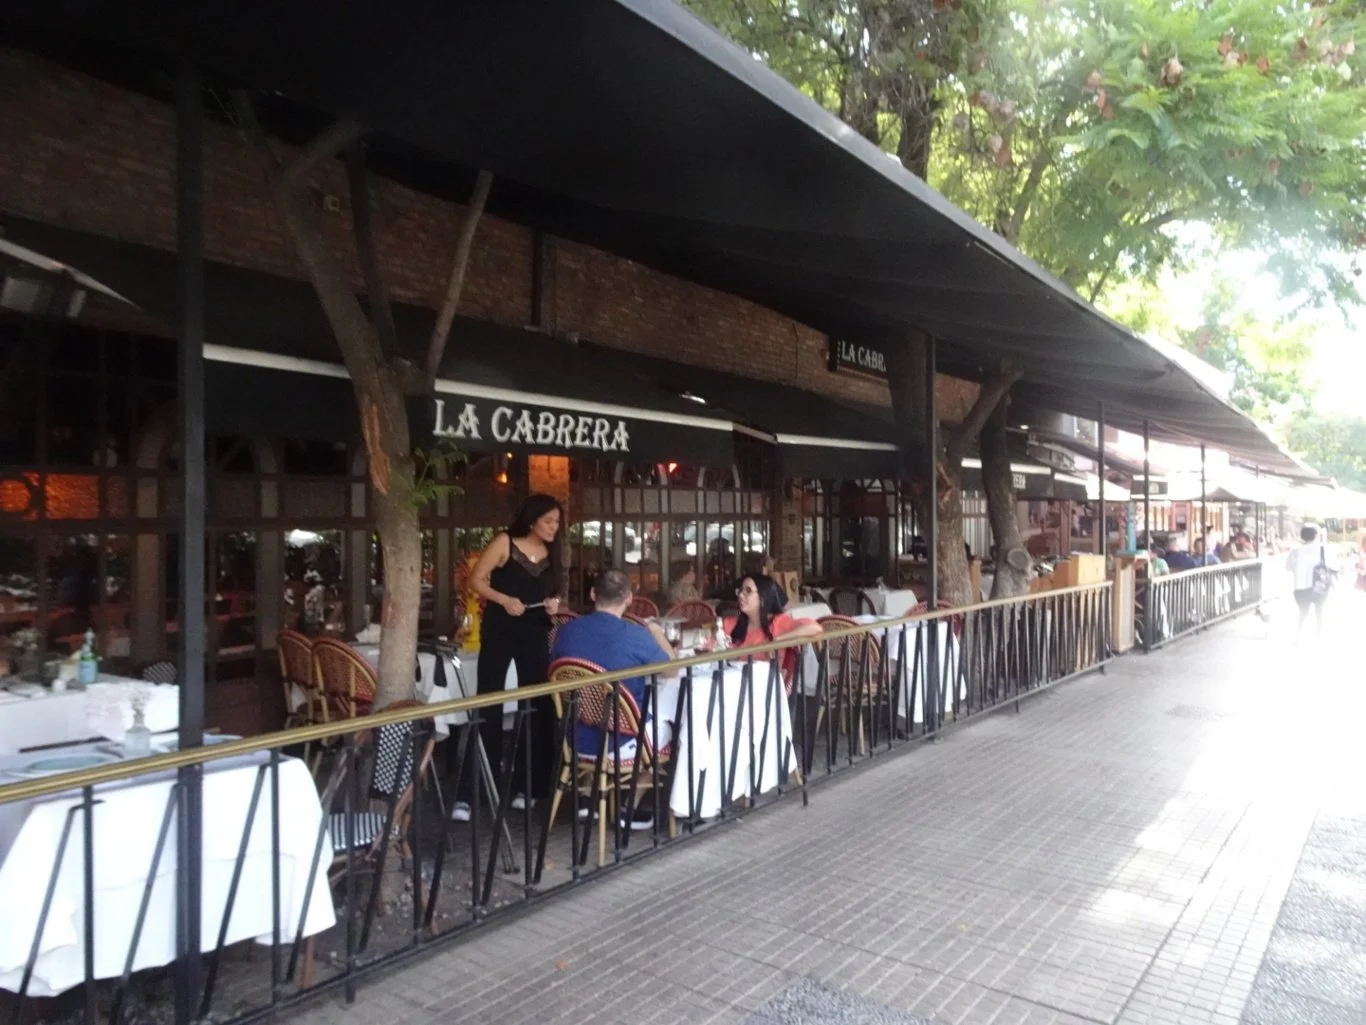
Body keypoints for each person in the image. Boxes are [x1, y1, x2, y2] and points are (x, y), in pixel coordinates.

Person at [461, 493, 564, 819]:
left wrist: (554, 603)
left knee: (536, 704)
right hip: (500, 628)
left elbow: (554, 590)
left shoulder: (553, 551)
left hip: (535, 629)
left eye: (557, 522)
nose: (554, 527)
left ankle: (530, 786)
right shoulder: (504, 542)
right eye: (548, 521)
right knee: (488, 701)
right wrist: (504, 600)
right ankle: (473, 791)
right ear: (532, 520)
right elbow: (475, 580)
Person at [551, 568, 677, 775]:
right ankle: (633, 795)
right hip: (621, 740)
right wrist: (656, 632)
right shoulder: (635, 635)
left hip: (574, 738)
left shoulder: (566, 631)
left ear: (593, 594)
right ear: (629, 598)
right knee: (673, 729)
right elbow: (672, 671)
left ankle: (590, 789)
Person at [724, 574, 822, 688]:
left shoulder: (778, 623)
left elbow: (815, 628)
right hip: (732, 684)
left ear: (763, 597)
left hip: (765, 689)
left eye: (748, 591)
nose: (741, 595)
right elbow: (711, 643)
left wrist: (777, 640)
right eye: (740, 590)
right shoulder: (733, 623)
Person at [1286, 524, 1332, 638]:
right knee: (1319, 611)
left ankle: (1298, 635)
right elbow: (1333, 566)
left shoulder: (1294, 551)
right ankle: (1319, 634)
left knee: (1302, 613)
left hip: (1300, 588)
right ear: (1316, 535)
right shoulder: (1322, 549)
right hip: (1319, 587)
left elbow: (1288, 567)